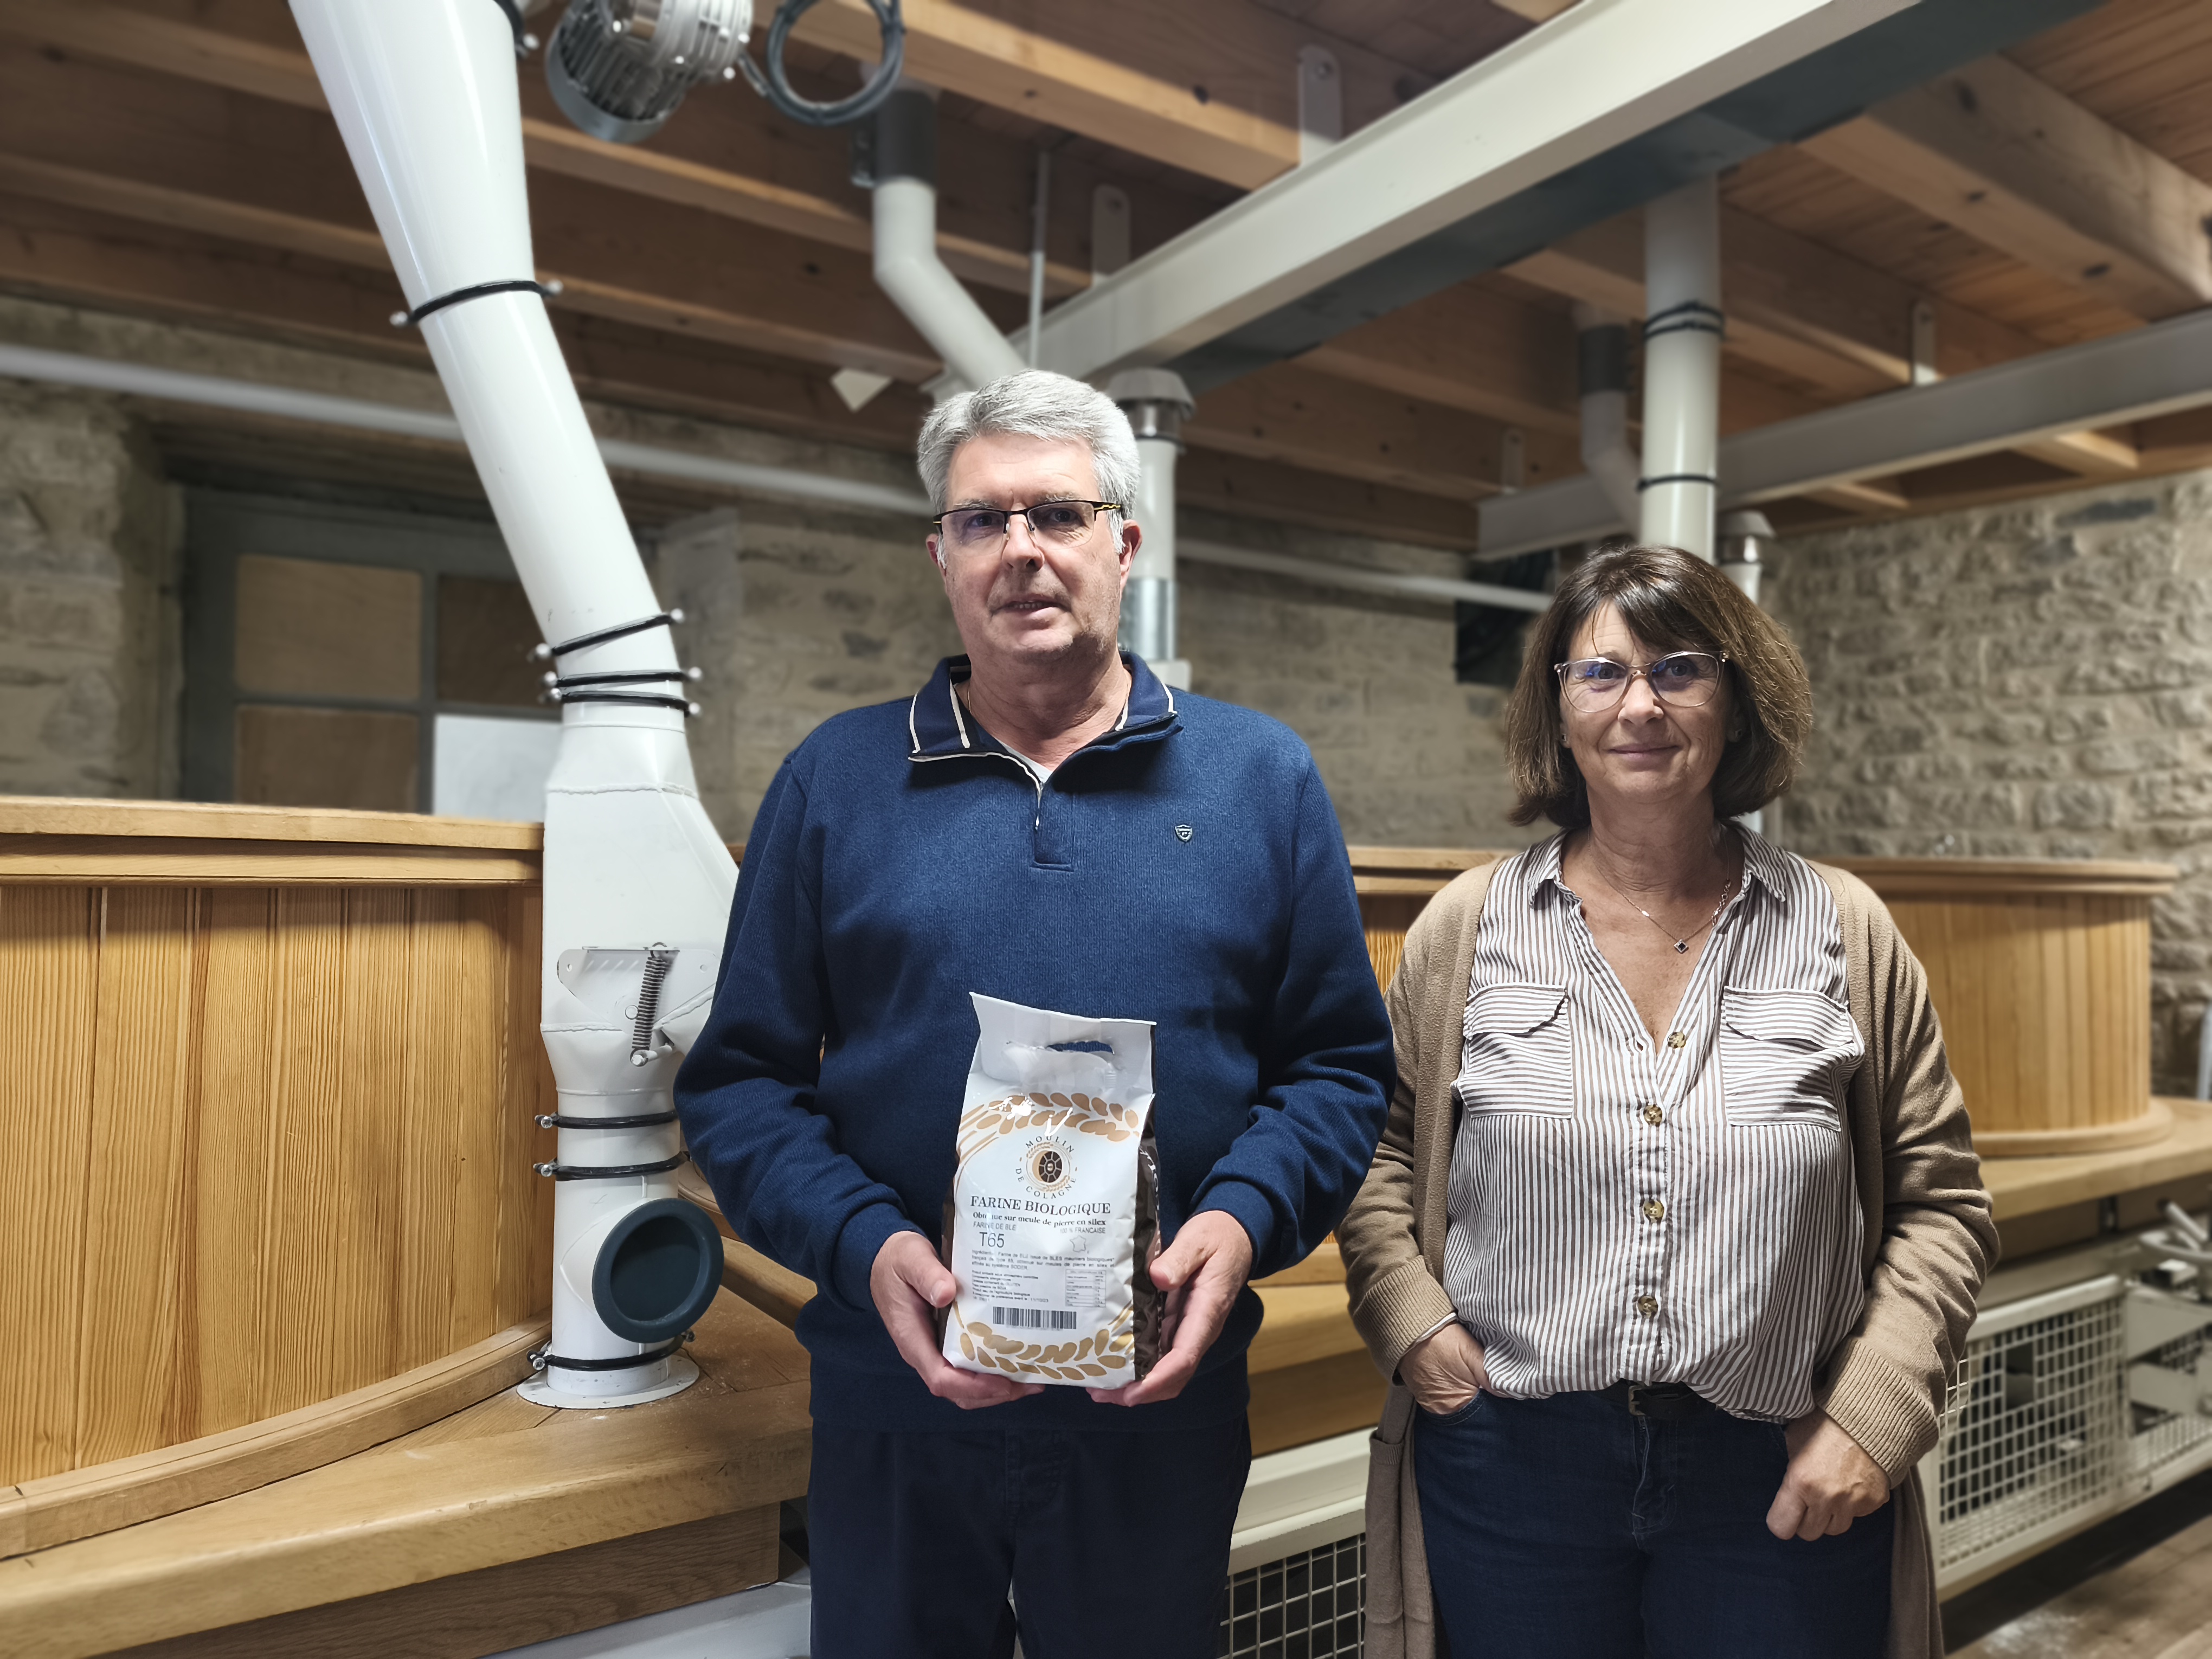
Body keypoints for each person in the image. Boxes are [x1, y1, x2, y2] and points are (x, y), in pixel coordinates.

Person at [677, 369, 1395, 1659]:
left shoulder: (1261, 779)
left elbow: (1338, 1068)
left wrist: (1242, 1220)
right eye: (982, 521)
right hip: (898, 1390)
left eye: (1058, 514)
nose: (1021, 550)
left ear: (1124, 542)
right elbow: (740, 1087)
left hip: (1158, 1396)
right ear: (941, 556)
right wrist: (863, 1246)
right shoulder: (835, 780)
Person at [1340, 544, 1994, 1659]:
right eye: (1600, 673)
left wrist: (1873, 1412)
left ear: (1737, 702)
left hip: (1781, 1459)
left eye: (1680, 669)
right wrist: (1412, 1323)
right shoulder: (1468, 928)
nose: (1639, 705)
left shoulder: (1843, 930)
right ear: (1558, 710)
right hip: (1514, 1458)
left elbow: (1942, 1207)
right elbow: (1378, 1155)